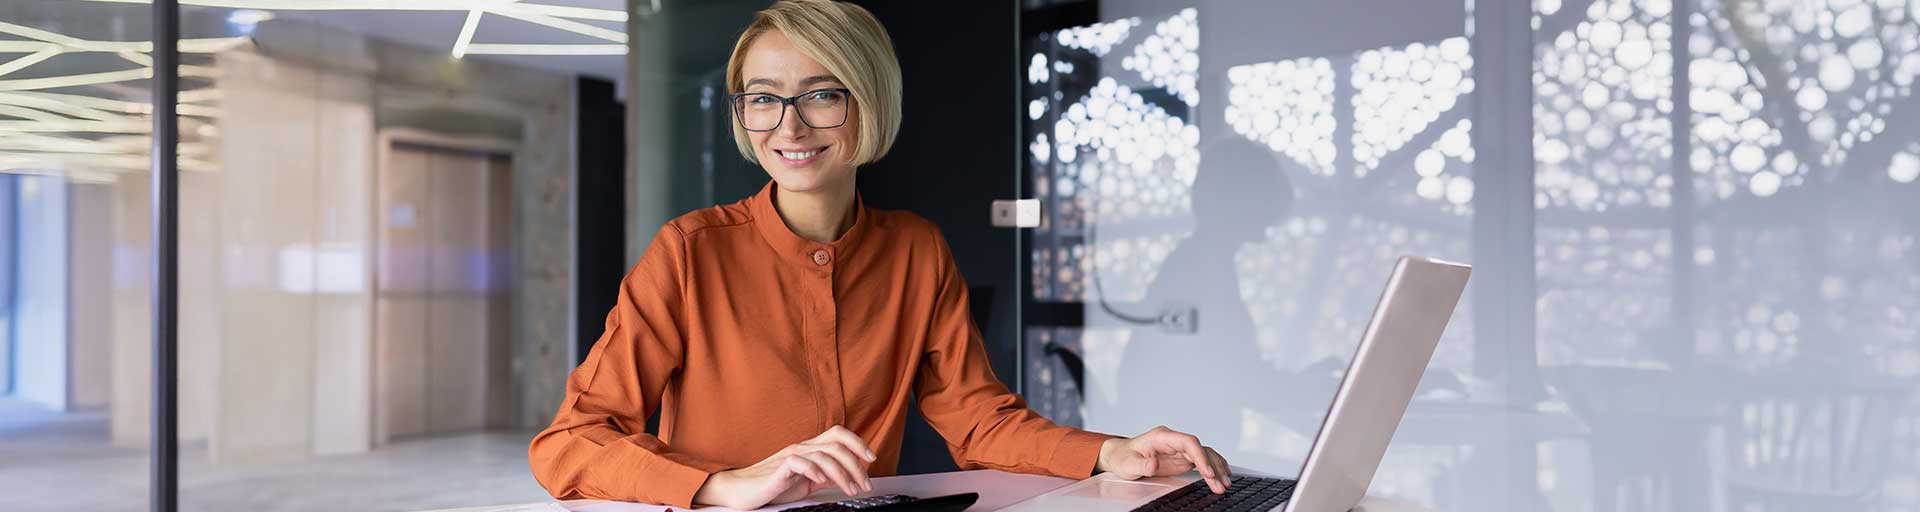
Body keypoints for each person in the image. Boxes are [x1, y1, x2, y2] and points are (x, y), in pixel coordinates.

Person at [528, 1, 1232, 509]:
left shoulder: (917, 250)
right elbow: (568, 443)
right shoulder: (688, 253)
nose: (790, 126)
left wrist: (1112, 453)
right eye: (763, 100)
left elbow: (978, 421)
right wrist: (719, 485)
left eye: (821, 95)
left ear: (868, 101)